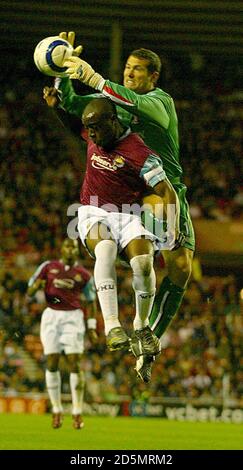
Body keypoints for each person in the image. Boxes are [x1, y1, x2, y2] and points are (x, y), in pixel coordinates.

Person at [48, 32, 195, 381]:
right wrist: (63, 69)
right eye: (127, 68)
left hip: (163, 185)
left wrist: (97, 79)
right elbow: (76, 105)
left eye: (138, 70)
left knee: (181, 268)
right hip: (132, 194)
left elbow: (133, 102)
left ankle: (147, 336)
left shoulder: (160, 101)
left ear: (153, 77)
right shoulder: (112, 104)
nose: (130, 74)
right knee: (126, 254)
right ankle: (124, 322)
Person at [27, 238, 97, 429]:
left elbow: (91, 301)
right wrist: (35, 288)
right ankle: (57, 410)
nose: (70, 249)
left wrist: (91, 326)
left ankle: (77, 411)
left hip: (73, 317)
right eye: (67, 246)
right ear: (62, 248)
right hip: (51, 316)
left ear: (77, 251)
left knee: (74, 362)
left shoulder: (83, 275)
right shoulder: (48, 267)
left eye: (73, 247)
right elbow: (31, 289)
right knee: (52, 362)